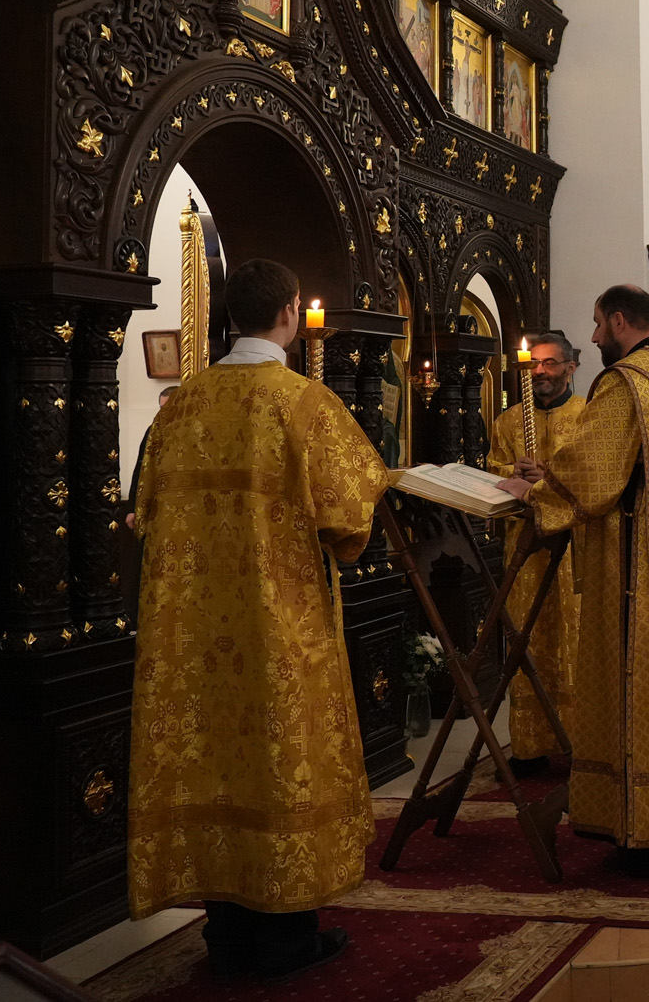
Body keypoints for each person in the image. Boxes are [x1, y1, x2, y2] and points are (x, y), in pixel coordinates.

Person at [128, 259, 390, 980]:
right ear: (288, 313)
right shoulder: (303, 403)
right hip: (278, 627)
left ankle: (228, 933)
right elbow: (350, 513)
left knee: (213, 762)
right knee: (279, 762)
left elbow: (144, 508)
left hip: (192, 636)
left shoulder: (181, 405)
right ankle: (285, 939)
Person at [498, 284, 649, 851]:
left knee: (644, 676)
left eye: (599, 324)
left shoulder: (625, 382)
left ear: (622, 322)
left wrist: (534, 493)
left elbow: (594, 472)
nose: (596, 335)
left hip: (642, 558)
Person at [483, 331, 584, 777]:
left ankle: (582, 744)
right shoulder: (508, 421)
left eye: (549, 363)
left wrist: (550, 476)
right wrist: (514, 472)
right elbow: (493, 469)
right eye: (533, 364)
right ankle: (530, 746)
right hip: (524, 550)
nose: (539, 371)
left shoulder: (587, 416)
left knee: (574, 639)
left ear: (570, 368)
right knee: (528, 637)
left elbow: (593, 477)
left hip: (573, 549)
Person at [123, 384, 177, 531]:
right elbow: (141, 468)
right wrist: (132, 508)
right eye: (161, 408)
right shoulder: (153, 431)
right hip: (156, 505)